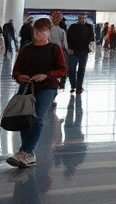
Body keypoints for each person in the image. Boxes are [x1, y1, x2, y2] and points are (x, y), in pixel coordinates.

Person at [7, 17, 68, 168]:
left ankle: (26, 151)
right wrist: (20, 76)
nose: (39, 33)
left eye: (43, 31)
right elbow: (16, 69)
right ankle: (28, 154)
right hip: (27, 87)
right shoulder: (26, 49)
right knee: (24, 118)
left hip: (47, 87)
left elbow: (63, 69)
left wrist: (46, 75)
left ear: (48, 32)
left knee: (37, 118)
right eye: (37, 30)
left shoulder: (54, 49)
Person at [65, 13, 94, 94]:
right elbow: (68, 38)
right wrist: (70, 48)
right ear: (78, 18)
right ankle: (73, 85)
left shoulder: (89, 26)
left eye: (84, 18)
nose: (83, 20)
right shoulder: (73, 27)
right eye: (81, 18)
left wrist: (91, 46)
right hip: (74, 51)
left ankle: (79, 86)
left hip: (84, 51)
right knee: (72, 69)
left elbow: (92, 38)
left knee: (82, 69)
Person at [48, 13, 69, 92]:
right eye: (56, 18)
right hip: (54, 51)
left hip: (56, 50)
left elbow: (64, 43)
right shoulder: (51, 29)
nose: (58, 20)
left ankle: (59, 82)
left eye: (59, 19)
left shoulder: (60, 30)